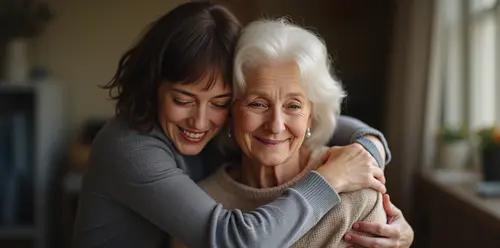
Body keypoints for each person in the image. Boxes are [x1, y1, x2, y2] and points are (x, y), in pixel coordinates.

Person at [72, 2, 398, 248]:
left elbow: (309, 120)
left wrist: (369, 147)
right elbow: (234, 240)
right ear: (153, 86)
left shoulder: (216, 131)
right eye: (183, 99)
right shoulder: (130, 147)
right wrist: (328, 179)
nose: (200, 121)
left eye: (219, 102)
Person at [172, 18, 408, 248]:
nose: (275, 125)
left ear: (311, 116)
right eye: (257, 104)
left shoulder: (356, 187)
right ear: (230, 109)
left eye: (293, 106)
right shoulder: (201, 208)